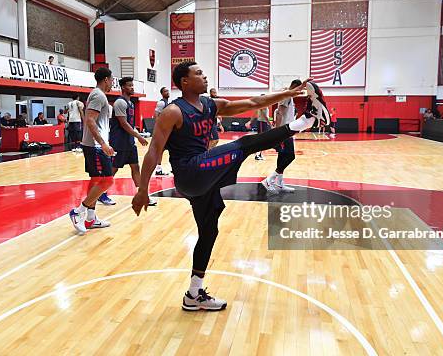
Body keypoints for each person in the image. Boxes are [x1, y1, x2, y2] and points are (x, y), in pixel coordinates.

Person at [131, 61, 329, 311]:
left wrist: (288, 93)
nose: (204, 76)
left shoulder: (211, 105)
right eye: (198, 74)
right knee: (244, 144)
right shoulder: (173, 112)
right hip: (190, 172)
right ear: (184, 82)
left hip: (204, 178)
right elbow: (153, 151)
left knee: (209, 232)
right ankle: (302, 124)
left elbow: (254, 103)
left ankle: (193, 294)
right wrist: (142, 190)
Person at [68, 67, 115, 234]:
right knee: (107, 180)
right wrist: (102, 143)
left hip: (95, 145)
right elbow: (90, 120)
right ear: (106, 80)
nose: (112, 83)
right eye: (111, 80)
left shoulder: (98, 95)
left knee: (96, 180)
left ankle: (90, 219)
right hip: (95, 146)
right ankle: (78, 212)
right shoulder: (98, 95)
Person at [98, 77, 156, 207]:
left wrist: (137, 135)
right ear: (123, 87)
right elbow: (123, 124)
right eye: (129, 86)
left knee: (135, 167)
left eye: (132, 85)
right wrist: (139, 136)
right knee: (112, 170)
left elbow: (130, 124)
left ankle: (142, 195)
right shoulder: (120, 103)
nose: (132, 88)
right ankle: (100, 194)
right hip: (119, 142)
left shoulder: (130, 104)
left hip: (129, 142)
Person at [261, 81, 302, 193]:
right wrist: (278, 132)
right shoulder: (287, 95)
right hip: (284, 132)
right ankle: (269, 180)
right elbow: (279, 113)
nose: (299, 92)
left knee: (283, 156)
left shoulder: (289, 96)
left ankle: (279, 184)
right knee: (290, 156)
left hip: (288, 131)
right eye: (299, 89)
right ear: (294, 86)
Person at [154, 87, 171, 175]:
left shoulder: (168, 103)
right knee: (161, 150)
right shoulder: (161, 103)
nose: (167, 92)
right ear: (162, 93)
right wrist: (159, 129)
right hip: (163, 130)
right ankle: (158, 169)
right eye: (165, 91)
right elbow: (156, 116)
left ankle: (173, 167)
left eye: (167, 91)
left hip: (168, 130)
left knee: (172, 149)